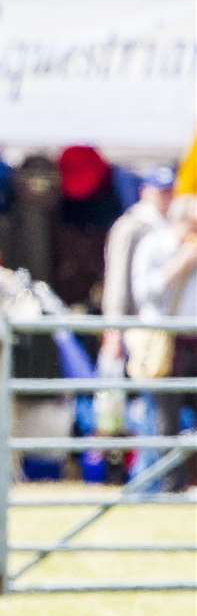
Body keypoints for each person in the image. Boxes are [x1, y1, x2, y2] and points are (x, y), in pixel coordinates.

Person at [129, 194, 197, 486]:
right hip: (166, 340)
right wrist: (178, 266)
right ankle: (170, 485)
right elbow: (144, 293)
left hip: (193, 337)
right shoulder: (154, 245)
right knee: (164, 418)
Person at [100, 166, 175, 365]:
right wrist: (114, 328)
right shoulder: (130, 226)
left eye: (169, 191)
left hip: (162, 321)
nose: (165, 197)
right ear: (144, 191)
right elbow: (117, 279)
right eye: (161, 191)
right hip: (135, 321)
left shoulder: (171, 226)